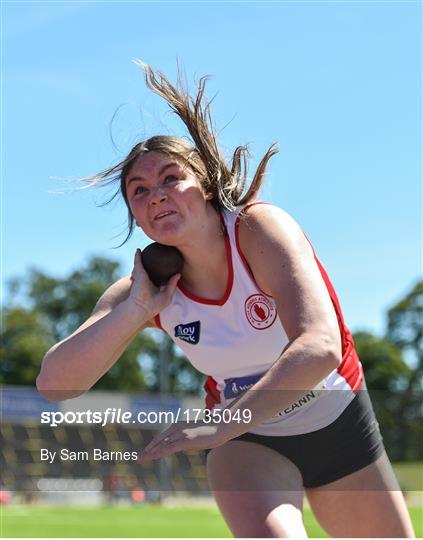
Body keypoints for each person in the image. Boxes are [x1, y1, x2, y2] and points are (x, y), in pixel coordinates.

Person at [36, 62, 415, 538]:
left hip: (341, 428)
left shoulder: (258, 229)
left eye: (171, 178)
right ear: (135, 214)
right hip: (251, 445)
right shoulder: (148, 287)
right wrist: (137, 310)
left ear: (207, 186)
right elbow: (55, 383)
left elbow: (320, 347)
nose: (155, 194)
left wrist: (220, 425)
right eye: (139, 191)